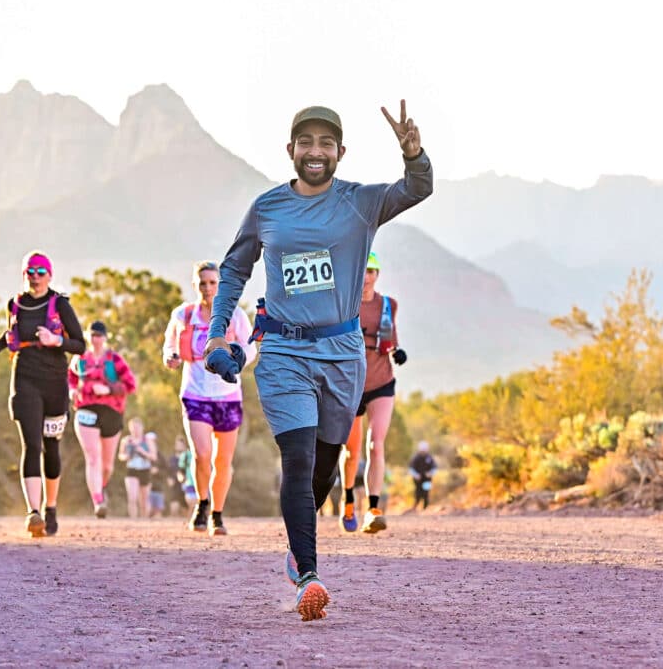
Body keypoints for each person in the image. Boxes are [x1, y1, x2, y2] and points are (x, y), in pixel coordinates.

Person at [204, 101, 431, 621]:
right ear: (290, 151)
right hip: (284, 352)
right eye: (305, 142)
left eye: (325, 144)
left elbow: (416, 188)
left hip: (343, 354)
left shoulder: (359, 203)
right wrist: (219, 333)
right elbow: (234, 268)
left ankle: (297, 545)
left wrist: (413, 152)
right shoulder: (267, 208)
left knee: (326, 465)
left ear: (340, 153)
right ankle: (308, 574)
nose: (315, 151)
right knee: (299, 458)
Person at [0, 251, 85, 537]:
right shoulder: (16, 304)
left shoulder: (60, 304)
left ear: (50, 275)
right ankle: (33, 512)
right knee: (31, 444)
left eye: (40, 271)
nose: (35, 277)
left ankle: (51, 507)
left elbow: (80, 345)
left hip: (55, 382)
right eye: (30, 272)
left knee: (51, 447)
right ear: (23, 274)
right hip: (25, 379)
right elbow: (11, 336)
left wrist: (55, 340)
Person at [163, 261, 256, 536]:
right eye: (203, 283)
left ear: (220, 285)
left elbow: (251, 349)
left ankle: (217, 513)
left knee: (223, 461)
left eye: (213, 283)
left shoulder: (235, 315)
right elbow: (169, 344)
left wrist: (236, 360)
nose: (208, 288)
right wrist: (170, 357)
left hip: (228, 396)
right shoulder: (183, 314)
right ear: (195, 285)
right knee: (202, 455)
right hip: (195, 394)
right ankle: (202, 502)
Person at [339, 251, 407, 534]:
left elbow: (391, 340)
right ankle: (348, 498)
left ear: (377, 275)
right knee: (351, 451)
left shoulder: (388, 305)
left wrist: (398, 352)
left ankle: (374, 508)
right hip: (351, 385)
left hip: (381, 383)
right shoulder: (345, 303)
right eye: (362, 270)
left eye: (371, 270)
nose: (366, 276)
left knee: (375, 445)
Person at [68, 320, 137, 517]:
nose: (96, 339)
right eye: (93, 335)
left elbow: (130, 385)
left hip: (111, 411)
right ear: (87, 337)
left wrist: (109, 389)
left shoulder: (115, 360)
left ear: (105, 338)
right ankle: (98, 501)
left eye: (99, 335)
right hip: (86, 408)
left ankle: (101, 486)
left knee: (106, 466)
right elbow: (70, 378)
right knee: (92, 457)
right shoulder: (79, 359)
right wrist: (72, 390)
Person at [119, 424, 156, 518]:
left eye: (137, 428)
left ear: (142, 428)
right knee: (132, 498)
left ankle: (145, 519)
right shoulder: (126, 440)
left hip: (145, 469)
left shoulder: (147, 440)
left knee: (144, 499)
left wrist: (143, 452)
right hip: (132, 469)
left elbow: (154, 457)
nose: (135, 430)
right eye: (133, 428)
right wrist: (126, 456)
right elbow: (120, 456)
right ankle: (133, 520)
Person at [408, 440, 438, 510]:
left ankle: (425, 507)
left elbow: (434, 468)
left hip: (427, 479)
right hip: (418, 480)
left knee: (426, 493)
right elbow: (411, 468)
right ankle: (415, 507)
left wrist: (430, 473)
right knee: (418, 492)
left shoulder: (430, 457)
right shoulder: (416, 458)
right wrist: (416, 475)